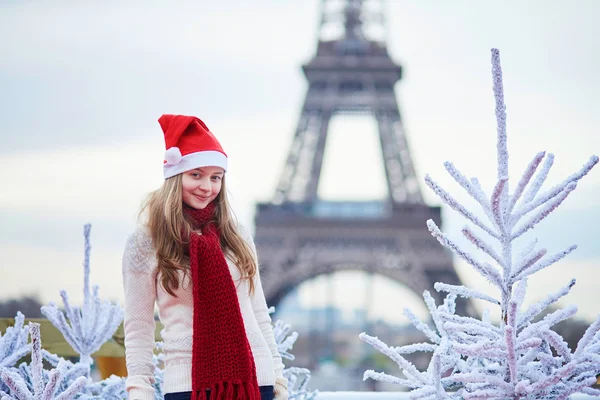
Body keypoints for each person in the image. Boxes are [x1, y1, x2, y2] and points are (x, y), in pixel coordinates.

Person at [121, 114, 289, 400]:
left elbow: (258, 311)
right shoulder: (146, 241)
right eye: (196, 174)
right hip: (189, 385)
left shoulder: (235, 234)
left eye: (216, 177)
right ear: (175, 176)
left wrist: (277, 373)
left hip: (254, 381)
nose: (207, 187)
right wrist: (139, 389)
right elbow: (139, 325)